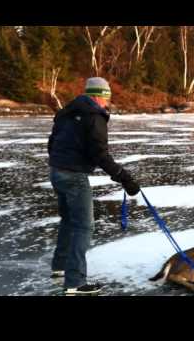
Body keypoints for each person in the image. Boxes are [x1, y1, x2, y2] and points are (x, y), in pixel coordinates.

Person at [48, 77, 140, 295]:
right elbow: (100, 154)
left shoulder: (68, 111)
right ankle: (75, 283)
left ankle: (60, 267)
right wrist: (125, 178)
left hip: (56, 171)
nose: (108, 103)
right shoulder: (94, 116)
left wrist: (61, 163)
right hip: (73, 176)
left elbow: (52, 143)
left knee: (69, 221)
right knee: (84, 226)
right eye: (107, 98)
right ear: (100, 96)